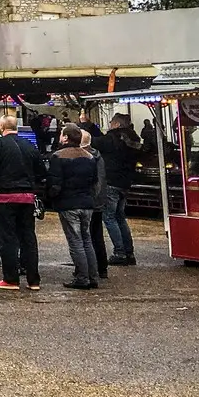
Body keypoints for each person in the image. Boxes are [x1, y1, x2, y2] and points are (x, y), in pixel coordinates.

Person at [0, 115, 46, 292]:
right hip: (27, 196)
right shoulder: (29, 146)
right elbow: (41, 171)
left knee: (8, 238)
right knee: (28, 237)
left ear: (1, 127)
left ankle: (11, 278)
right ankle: (33, 280)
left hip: (5, 196)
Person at [48, 124, 103, 290]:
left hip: (68, 203)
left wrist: (50, 197)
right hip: (87, 202)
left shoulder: (58, 156)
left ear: (66, 137)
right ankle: (93, 276)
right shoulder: (89, 156)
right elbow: (95, 181)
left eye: (61, 134)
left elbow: (55, 183)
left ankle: (82, 277)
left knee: (75, 241)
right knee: (87, 240)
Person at [93, 113, 140, 266]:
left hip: (111, 181)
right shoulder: (133, 139)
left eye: (112, 122)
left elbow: (94, 141)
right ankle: (129, 252)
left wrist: (86, 125)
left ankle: (119, 252)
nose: (110, 124)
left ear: (117, 124)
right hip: (125, 182)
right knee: (120, 217)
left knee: (109, 217)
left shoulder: (111, 138)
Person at [81, 129, 109, 280]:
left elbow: (97, 182)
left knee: (88, 236)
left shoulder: (89, 158)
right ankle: (101, 266)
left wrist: (91, 198)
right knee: (97, 235)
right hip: (98, 202)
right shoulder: (98, 156)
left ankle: (93, 267)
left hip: (92, 202)